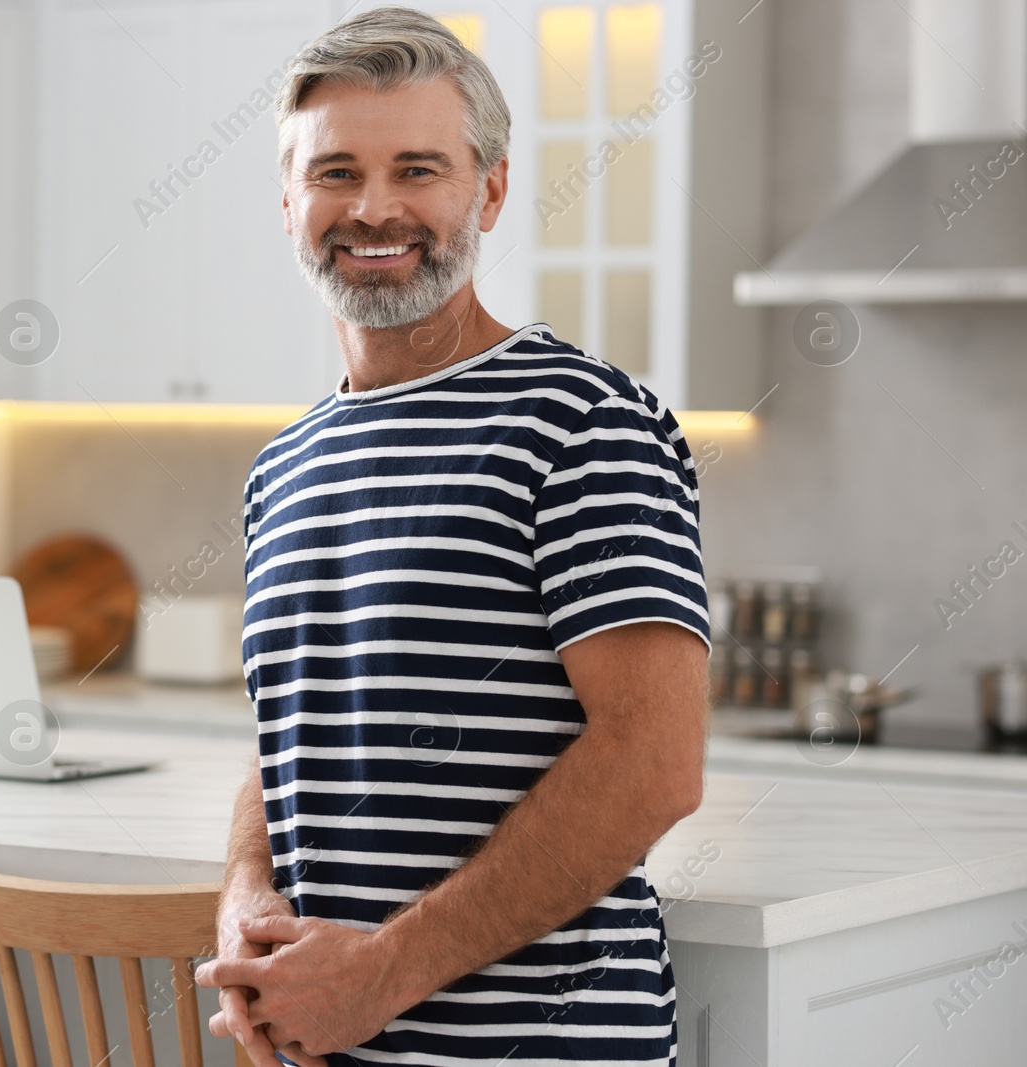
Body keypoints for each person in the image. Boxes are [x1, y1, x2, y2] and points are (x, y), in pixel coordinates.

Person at [192, 8, 710, 1066]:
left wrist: (383, 972)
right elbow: (288, 732)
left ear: (490, 188)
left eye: (416, 168)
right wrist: (246, 887)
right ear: (287, 201)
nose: (372, 208)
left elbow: (652, 762)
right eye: (334, 172)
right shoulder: (284, 465)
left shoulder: (582, 423)